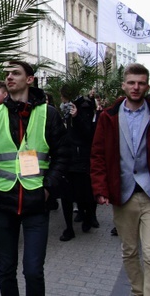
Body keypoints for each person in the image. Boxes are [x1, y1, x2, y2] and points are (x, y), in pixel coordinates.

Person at [0, 61, 68, 296]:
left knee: (33, 271)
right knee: (6, 270)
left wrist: (48, 189)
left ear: (30, 79)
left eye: (15, 73)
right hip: (3, 202)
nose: (9, 77)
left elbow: (62, 156)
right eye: (7, 73)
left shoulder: (49, 113)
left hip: (36, 202)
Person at [90, 63, 150, 296]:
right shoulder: (109, 117)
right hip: (122, 194)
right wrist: (100, 188)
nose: (136, 87)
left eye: (141, 83)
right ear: (123, 84)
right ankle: (138, 290)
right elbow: (98, 154)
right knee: (129, 251)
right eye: (132, 82)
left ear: (147, 85)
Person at [58, 87, 96, 242]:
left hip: (81, 158)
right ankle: (69, 228)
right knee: (66, 196)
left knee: (84, 193)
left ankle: (88, 217)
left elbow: (89, 133)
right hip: (67, 157)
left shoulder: (85, 107)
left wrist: (77, 116)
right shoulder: (65, 109)